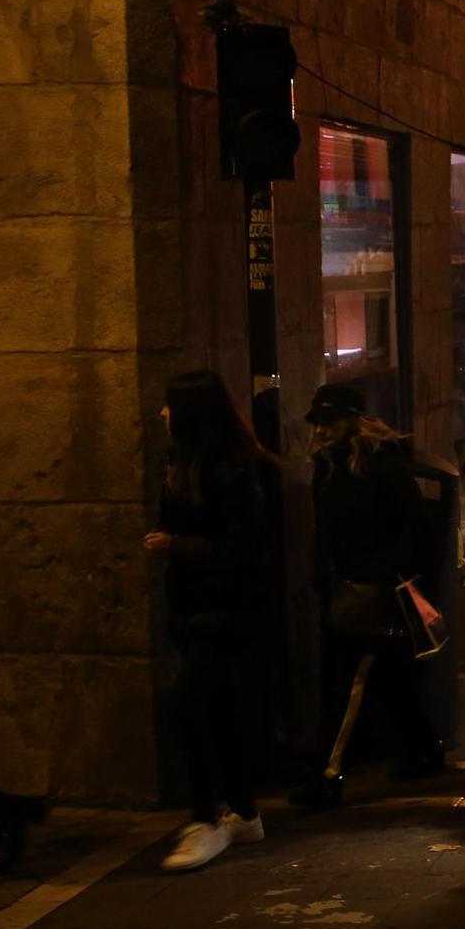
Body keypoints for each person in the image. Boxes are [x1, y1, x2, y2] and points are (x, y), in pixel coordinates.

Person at [146, 371, 278, 871]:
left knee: (184, 706)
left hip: (226, 611)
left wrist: (176, 546)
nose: (162, 414)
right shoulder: (181, 463)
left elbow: (245, 550)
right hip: (193, 607)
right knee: (217, 711)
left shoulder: (233, 470)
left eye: (169, 405)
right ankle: (244, 813)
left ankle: (205, 820)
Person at [292, 384, 444, 811]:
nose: (321, 430)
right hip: (346, 588)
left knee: (350, 682)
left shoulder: (382, 466)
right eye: (317, 421)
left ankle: (327, 775)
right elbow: (326, 532)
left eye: (330, 421)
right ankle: (424, 752)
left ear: (354, 421)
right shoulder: (328, 467)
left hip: (375, 593)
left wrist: (385, 573)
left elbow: (417, 527)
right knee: (390, 678)